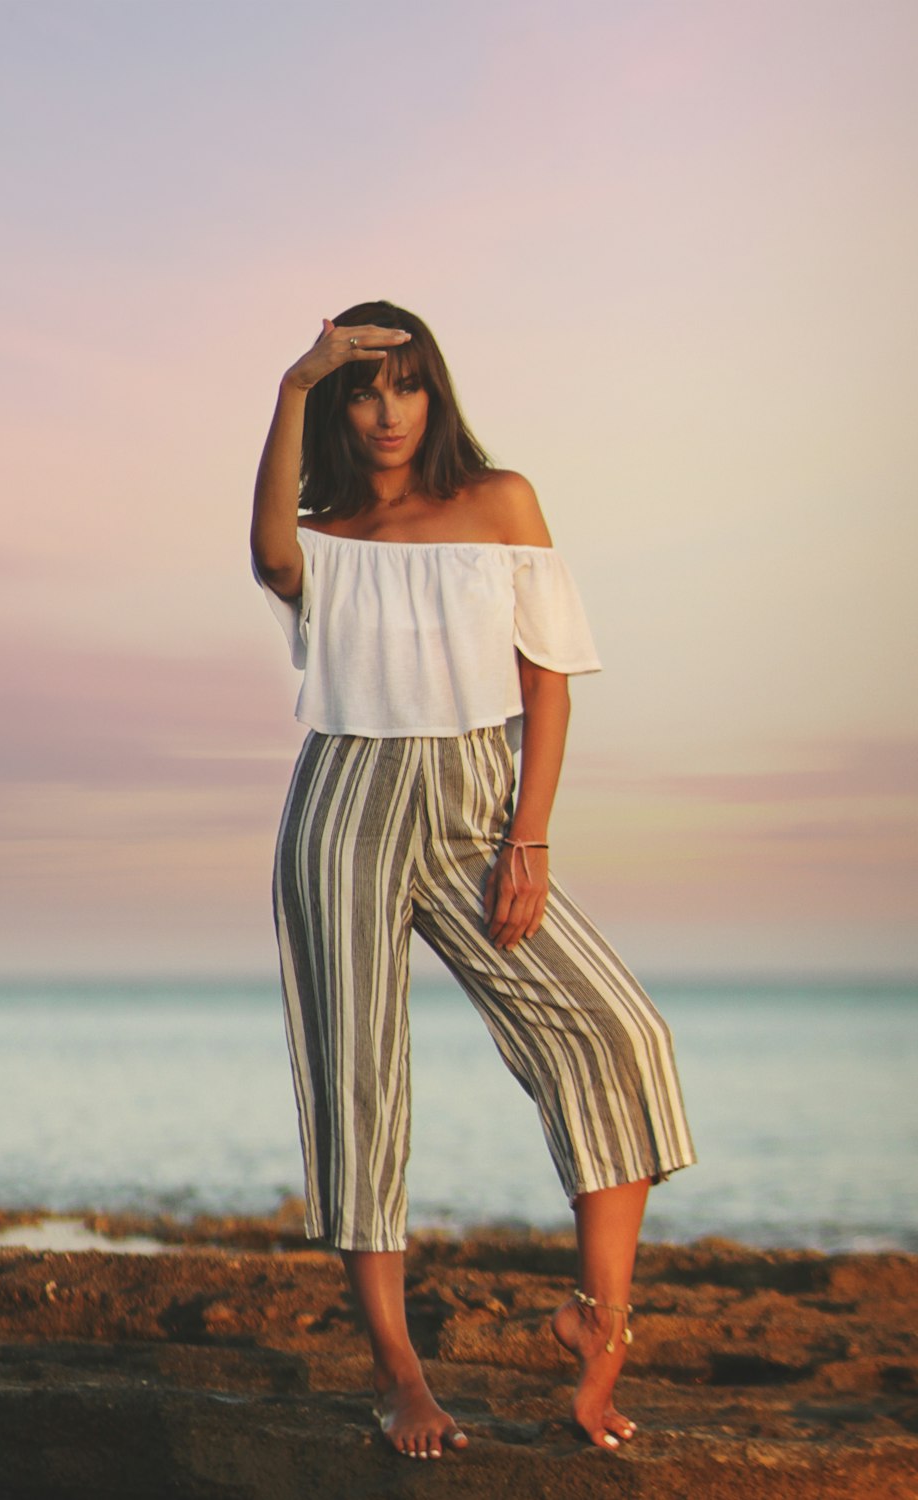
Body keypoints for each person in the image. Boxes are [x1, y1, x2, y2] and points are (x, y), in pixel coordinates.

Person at [250, 300, 696, 1461]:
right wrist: (290, 387)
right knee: (361, 1087)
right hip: (343, 806)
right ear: (339, 408)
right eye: (360, 387)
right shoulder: (328, 529)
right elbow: (267, 559)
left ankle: (599, 1331)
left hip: (474, 809)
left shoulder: (501, 502)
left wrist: (529, 838)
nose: (384, 409)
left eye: (402, 383)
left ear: (435, 392)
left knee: (619, 1033)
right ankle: (402, 1378)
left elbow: (548, 681)